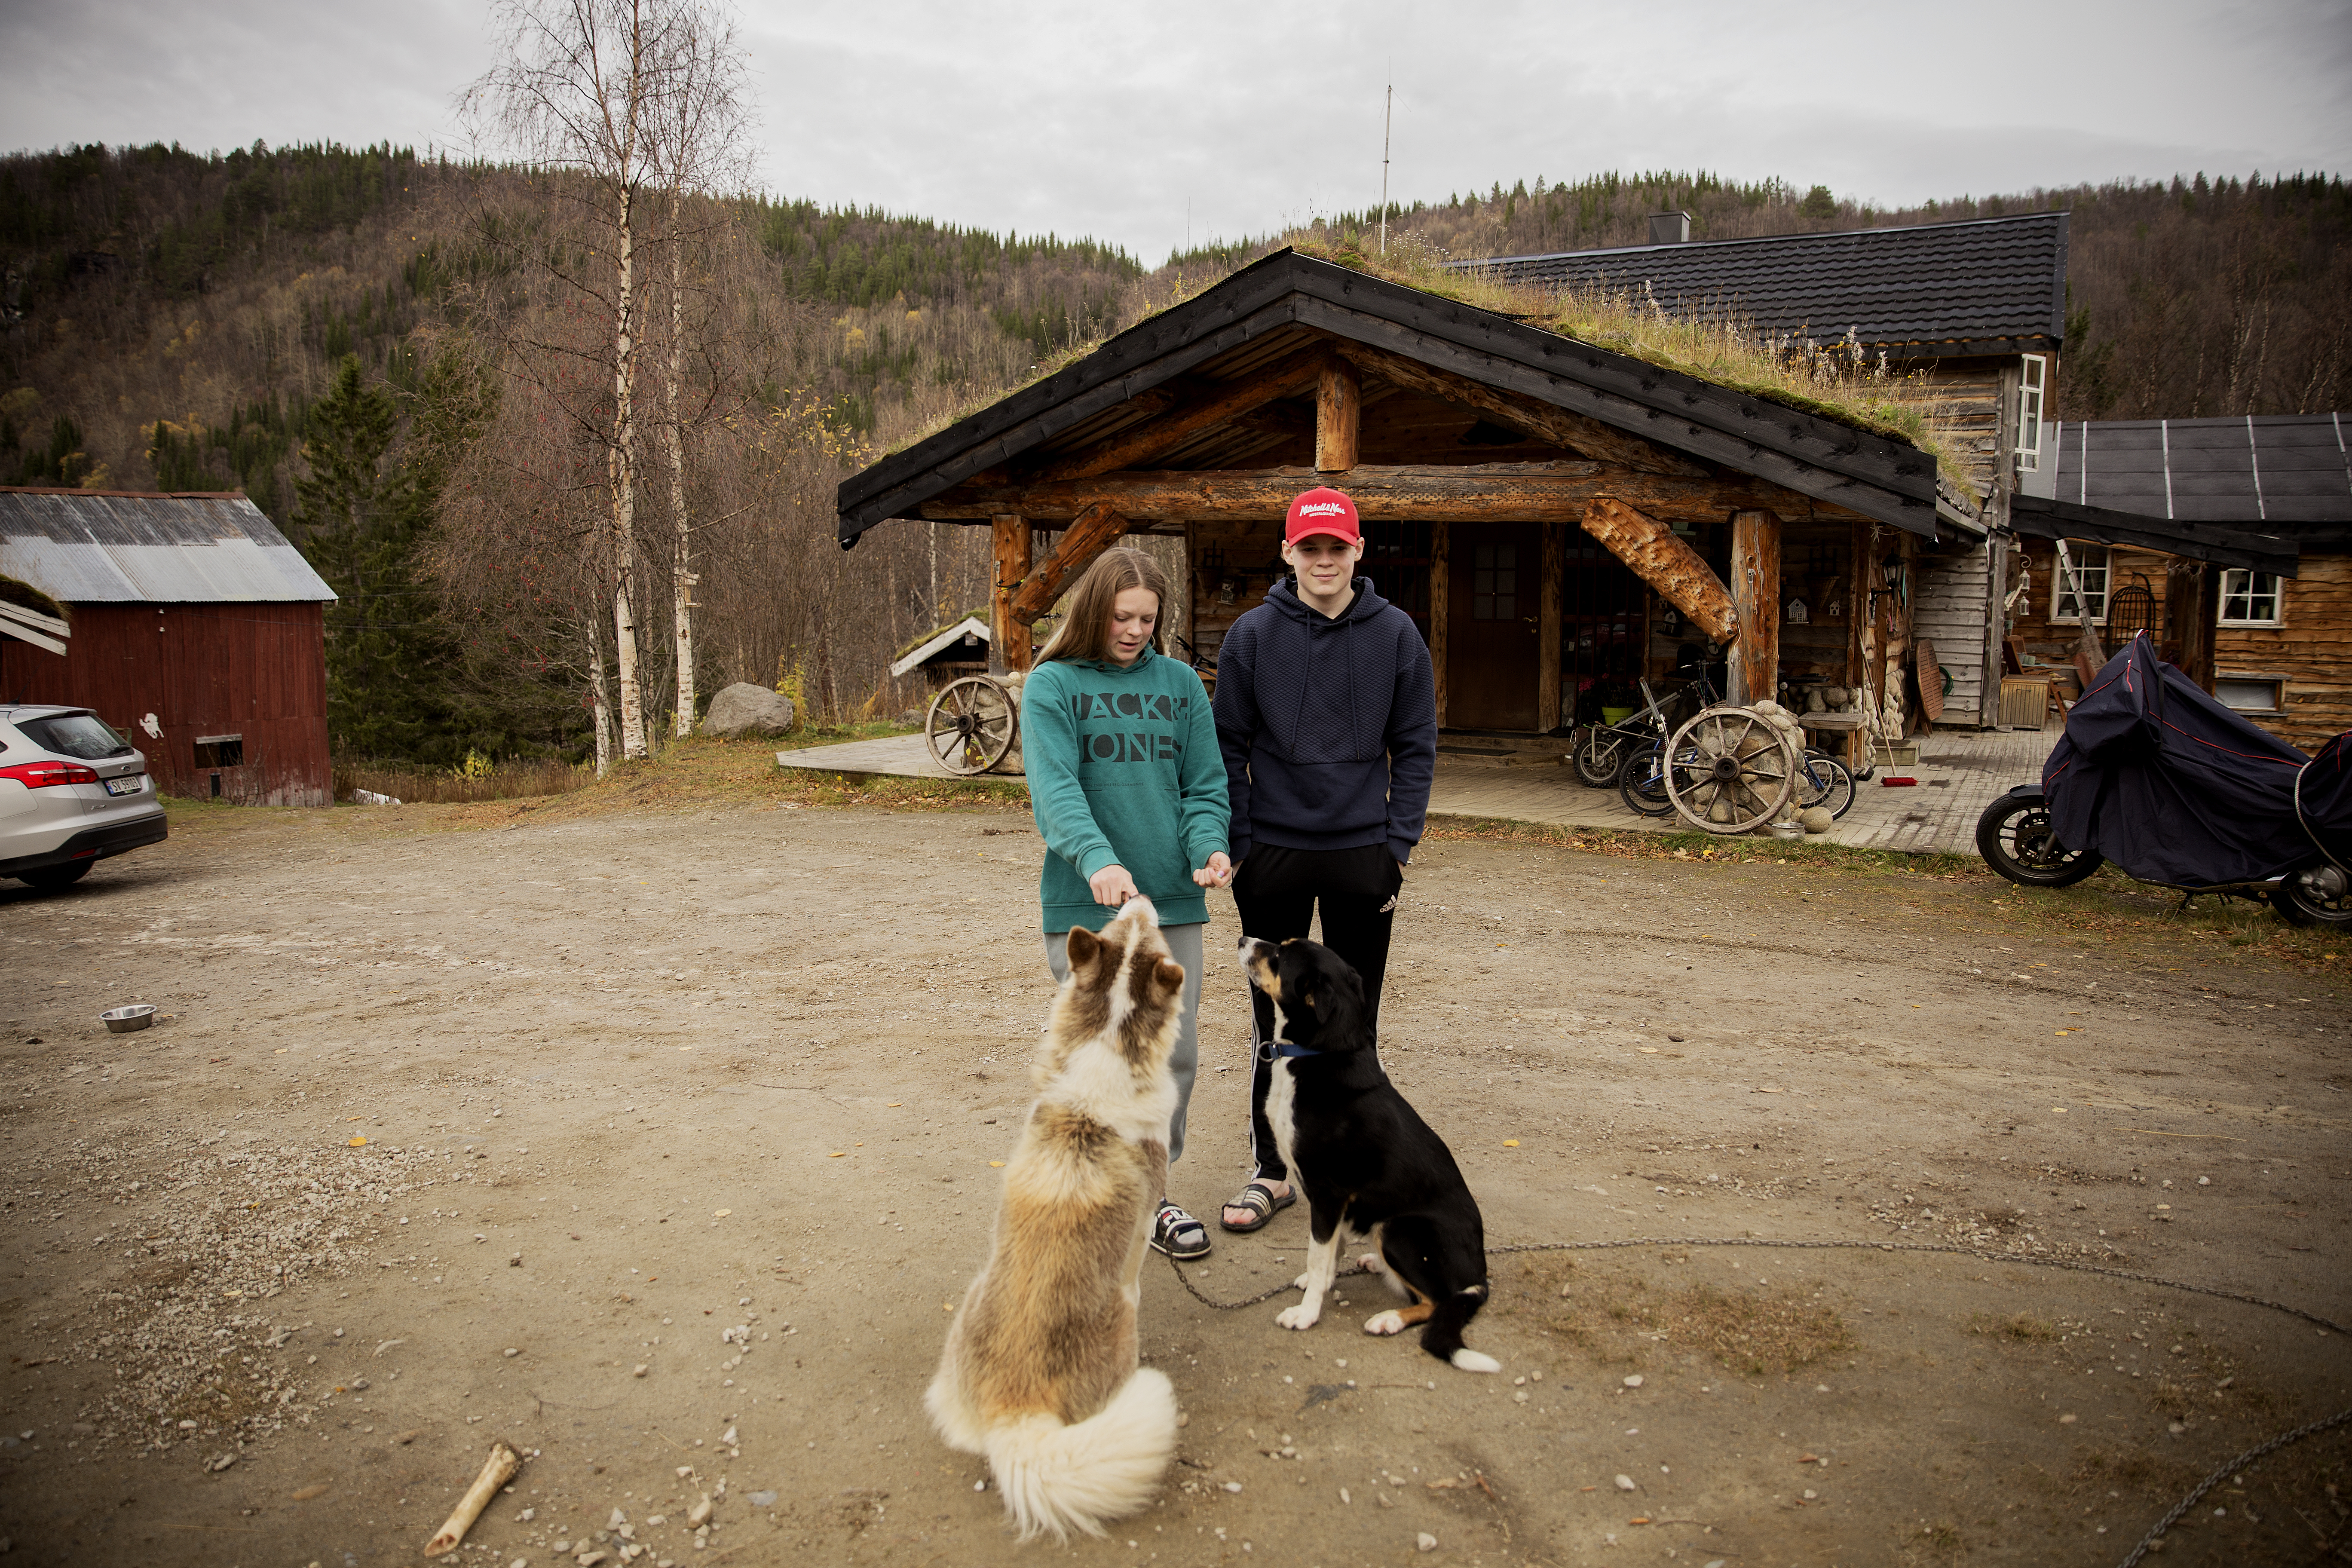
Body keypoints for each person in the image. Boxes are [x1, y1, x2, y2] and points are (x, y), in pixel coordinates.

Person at [1211, 487, 1437, 1234]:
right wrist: (1242, 846)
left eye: (1336, 547)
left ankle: (1353, 1169)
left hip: (1361, 857)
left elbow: (1417, 744)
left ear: (1357, 551)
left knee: (1355, 1020)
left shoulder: (1398, 635)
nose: (1323, 561)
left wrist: (1396, 845)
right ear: (1288, 554)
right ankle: (1272, 1172)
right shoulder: (1251, 636)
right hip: (1273, 854)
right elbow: (1227, 746)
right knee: (1272, 1023)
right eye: (1309, 548)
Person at [1022, 545, 1233, 1259]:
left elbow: (1205, 786)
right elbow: (1056, 791)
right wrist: (1098, 861)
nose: (1135, 630)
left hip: (1173, 902)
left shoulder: (1181, 686)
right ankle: (1088, 1194)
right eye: (1122, 616)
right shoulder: (1054, 685)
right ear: (1094, 610)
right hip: (1088, 909)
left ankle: (1153, 1198)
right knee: (1098, 1059)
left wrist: (1208, 847)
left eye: (1147, 618)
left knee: (1173, 1057)